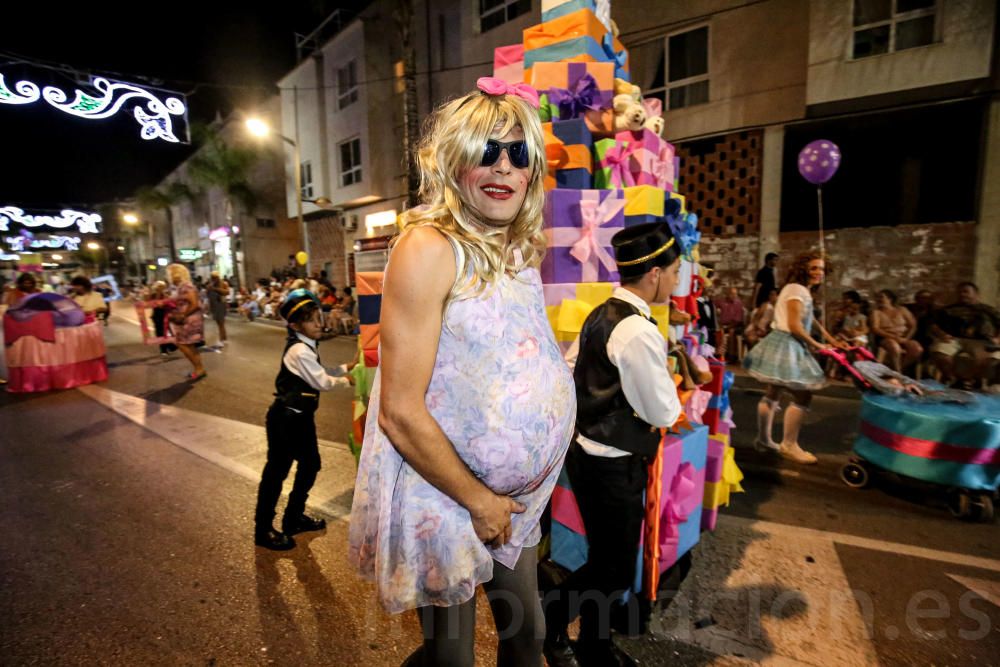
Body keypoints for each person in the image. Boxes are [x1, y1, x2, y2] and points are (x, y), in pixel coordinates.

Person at [348, 77, 575, 667]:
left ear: (533, 173)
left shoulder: (517, 249)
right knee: (453, 657)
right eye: (485, 151)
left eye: (518, 154)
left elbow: (502, 354)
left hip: (512, 501)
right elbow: (399, 407)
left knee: (525, 641)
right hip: (445, 491)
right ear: (454, 163)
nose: (503, 167)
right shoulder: (428, 247)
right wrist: (478, 500)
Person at [544, 222, 683, 667]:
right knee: (614, 568)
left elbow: (574, 370)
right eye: (676, 270)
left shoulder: (601, 312)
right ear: (656, 273)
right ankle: (558, 625)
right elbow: (663, 411)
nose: (677, 280)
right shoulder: (639, 331)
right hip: (613, 464)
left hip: (588, 454)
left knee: (606, 562)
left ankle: (592, 644)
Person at [254, 289, 352, 550]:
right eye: (310, 320)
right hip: (286, 419)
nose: (319, 324)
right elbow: (322, 381)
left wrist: (346, 368)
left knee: (310, 465)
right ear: (295, 325)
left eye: (318, 316)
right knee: (277, 472)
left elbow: (318, 372)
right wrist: (347, 380)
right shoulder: (299, 350)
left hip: (299, 417)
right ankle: (263, 529)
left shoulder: (306, 345)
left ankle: (293, 517)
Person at [743, 252, 844, 464]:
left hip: (781, 341)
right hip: (788, 342)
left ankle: (763, 440)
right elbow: (795, 326)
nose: (819, 273)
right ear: (802, 269)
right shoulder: (797, 290)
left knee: (773, 392)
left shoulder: (798, 289)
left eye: (822, 269)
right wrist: (819, 345)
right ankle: (789, 444)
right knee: (803, 395)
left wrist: (830, 339)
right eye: (814, 268)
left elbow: (810, 319)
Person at [928, 282, 1000, 387]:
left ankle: (973, 380)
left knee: (990, 359)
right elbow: (932, 324)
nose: (962, 294)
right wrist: (941, 334)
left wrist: (998, 339)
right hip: (953, 339)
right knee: (939, 352)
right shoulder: (948, 310)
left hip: (981, 341)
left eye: (966, 292)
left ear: (976, 294)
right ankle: (951, 378)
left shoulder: (989, 310)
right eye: (960, 292)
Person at [166, 263, 207, 380]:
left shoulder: (186, 286)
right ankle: (199, 369)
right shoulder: (180, 287)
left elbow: (194, 304)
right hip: (186, 319)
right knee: (189, 345)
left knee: (181, 343)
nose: (169, 277)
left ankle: (199, 368)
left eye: (170, 274)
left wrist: (182, 314)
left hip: (189, 320)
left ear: (176, 274)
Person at [871, 289, 922, 373]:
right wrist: (894, 337)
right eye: (877, 298)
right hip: (885, 337)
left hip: (903, 337)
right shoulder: (876, 312)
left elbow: (913, 325)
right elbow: (875, 328)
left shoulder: (902, 310)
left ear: (890, 299)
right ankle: (898, 372)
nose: (878, 300)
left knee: (917, 348)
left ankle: (899, 368)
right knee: (894, 346)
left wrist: (906, 338)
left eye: (881, 297)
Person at [716, 286, 747, 362]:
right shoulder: (722, 301)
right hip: (722, 325)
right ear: (727, 294)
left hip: (735, 325)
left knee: (731, 331)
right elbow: (713, 305)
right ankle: (718, 354)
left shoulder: (738, 304)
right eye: (731, 294)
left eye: (735, 294)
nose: (733, 296)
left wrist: (727, 327)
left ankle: (732, 356)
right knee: (717, 331)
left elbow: (737, 320)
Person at [148, 280, 177, 356]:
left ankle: (170, 346)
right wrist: (160, 295)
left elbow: (171, 303)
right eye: (161, 287)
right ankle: (163, 350)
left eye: (163, 287)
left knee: (167, 332)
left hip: (165, 315)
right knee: (160, 333)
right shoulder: (153, 295)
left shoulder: (165, 294)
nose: (162, 288)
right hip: (157, 316)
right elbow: (156, 304)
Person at [206, 272, 231, 347]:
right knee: (219, 323)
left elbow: (227, 292)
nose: (213, 279)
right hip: (214, 305)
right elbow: (208, 295)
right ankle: (224, 338)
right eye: (212, 277)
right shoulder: (210, 285)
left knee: (221, 323)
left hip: (220, 304)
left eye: (215, 277)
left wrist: (215, 289)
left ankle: (222, 340)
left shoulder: (223, 283)